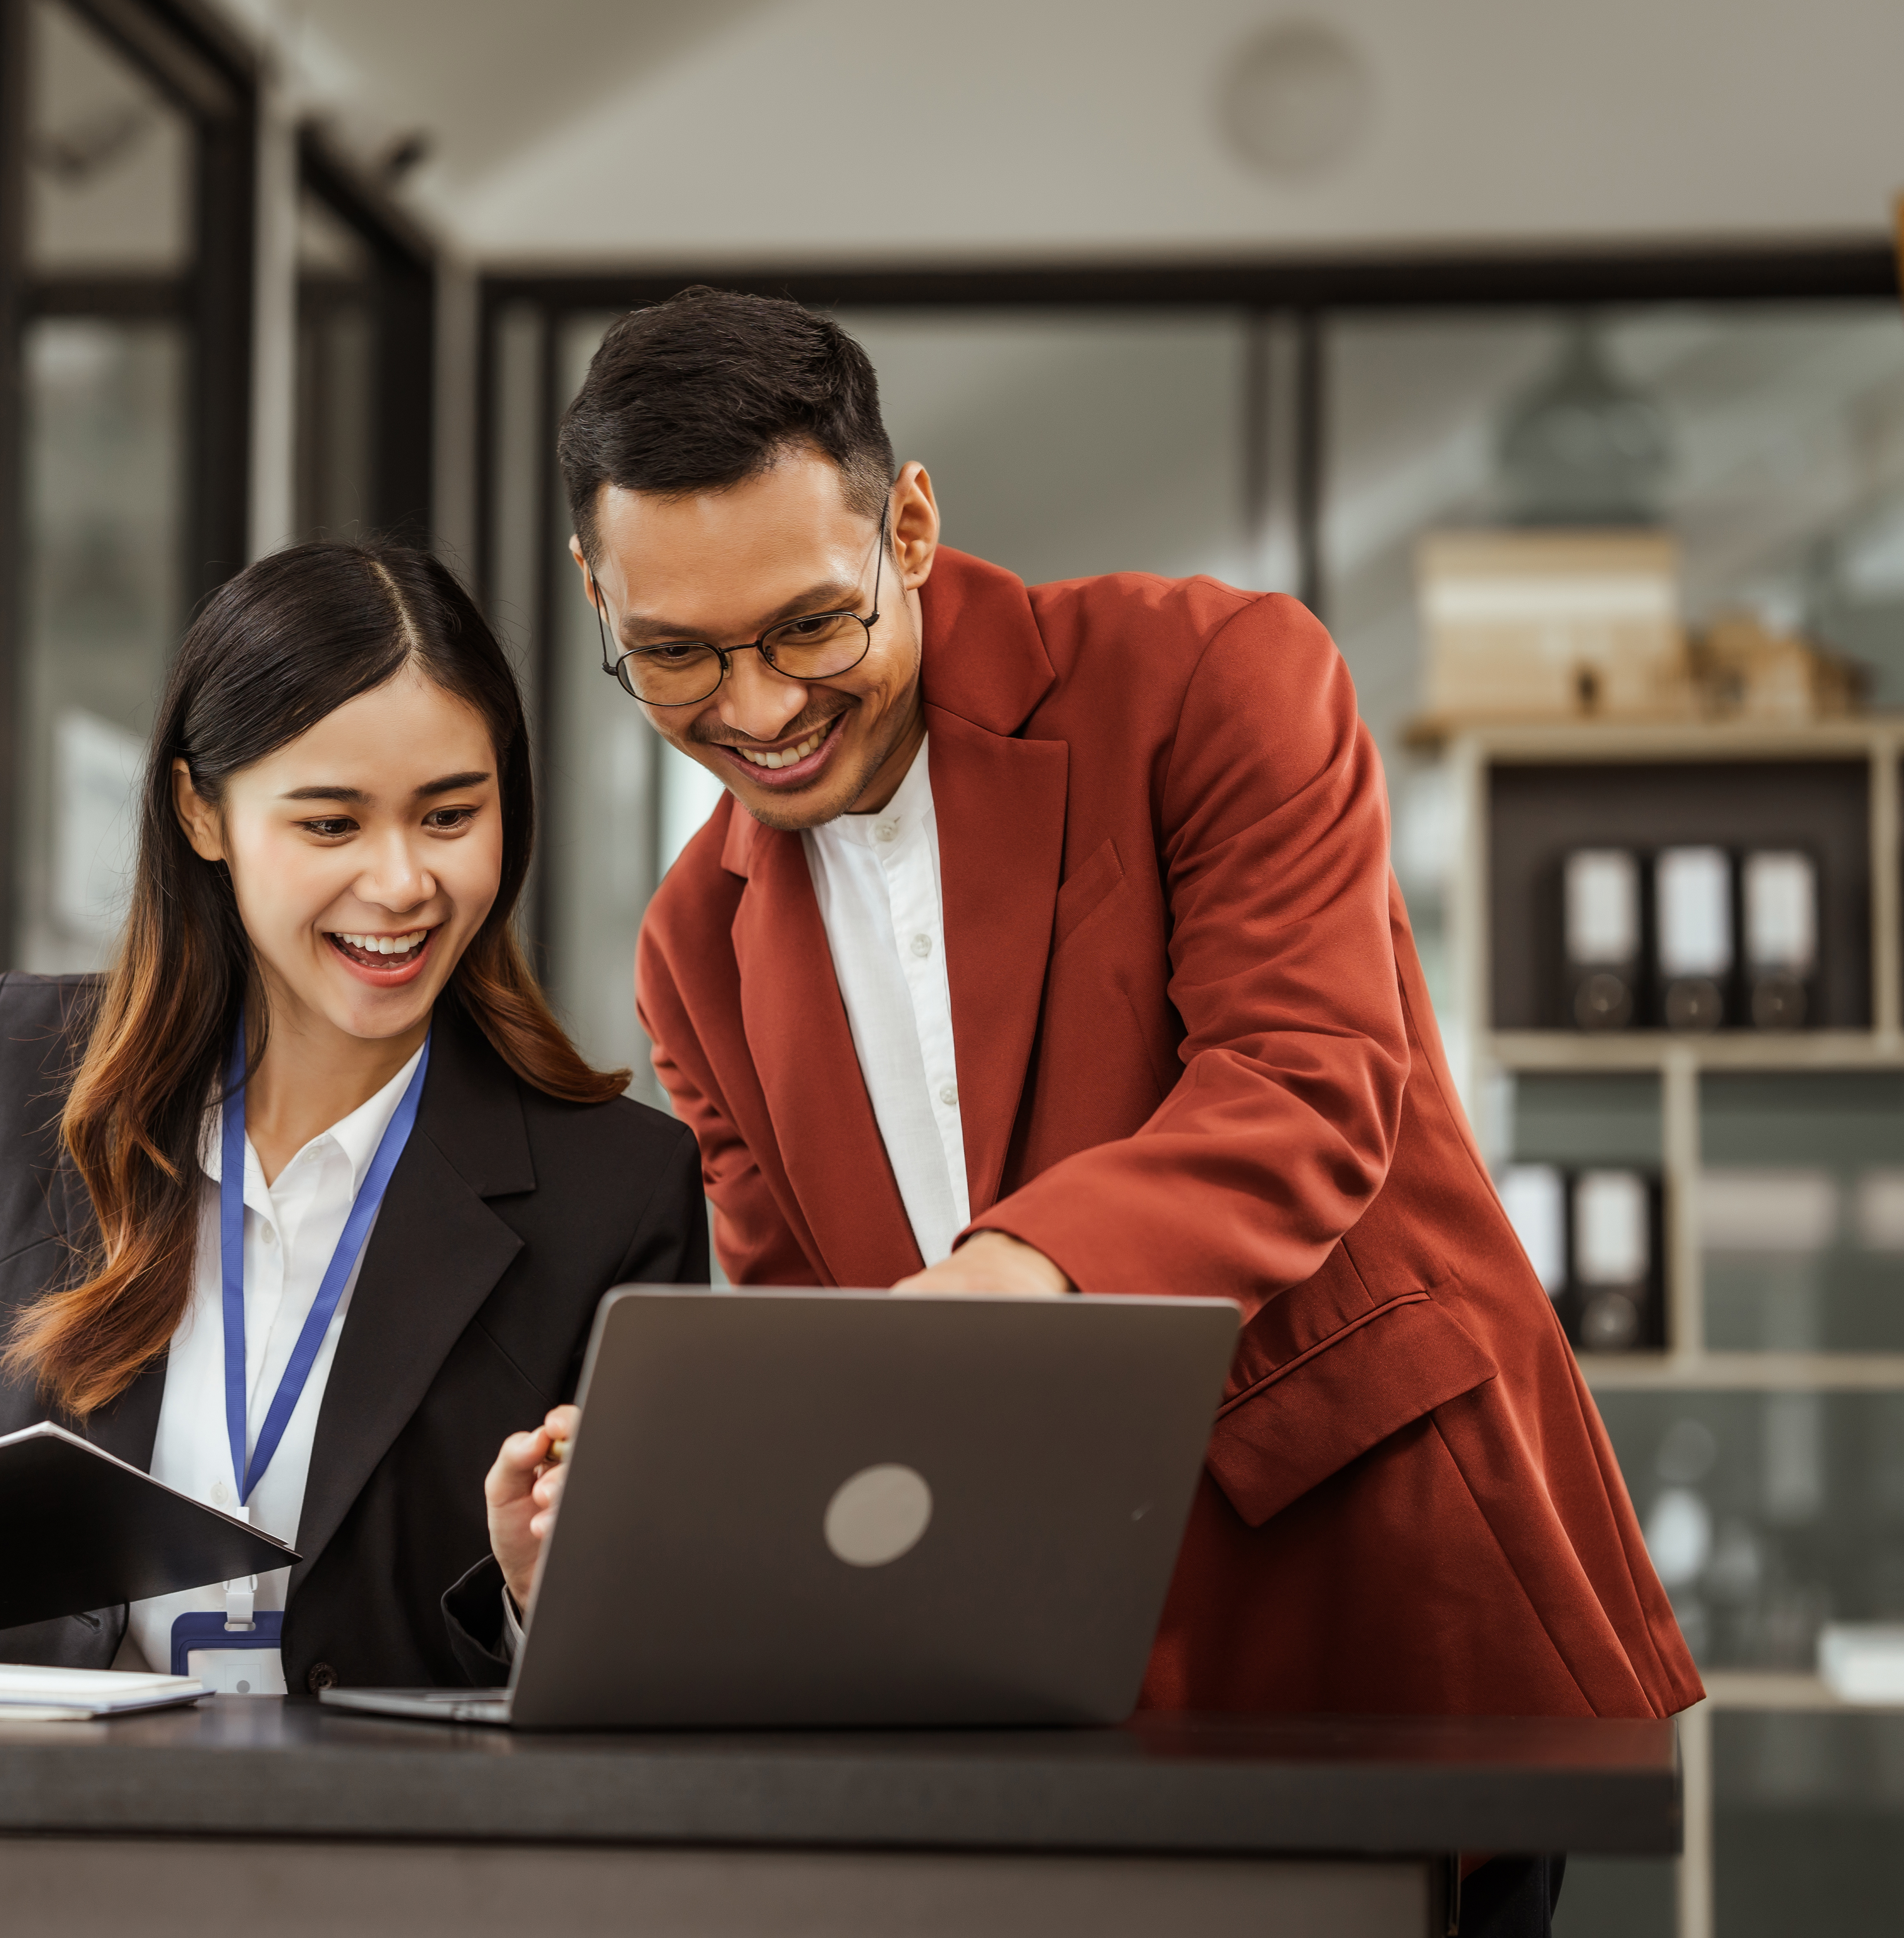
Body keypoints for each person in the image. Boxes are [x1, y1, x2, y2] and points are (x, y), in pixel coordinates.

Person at [483, 290, 1693, 1935]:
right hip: (1028, 1693)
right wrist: (635, 1520)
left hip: (1364, 1614)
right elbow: (816, 1349)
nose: (755, 710)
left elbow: (1303, 1086)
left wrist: (1003, 1276)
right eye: (677, 655)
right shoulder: (694, 944)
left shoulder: (1213, 678)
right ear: (595, 600)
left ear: (909, 524)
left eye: (808, 629)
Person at [0, 542, 707, 1693]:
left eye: (448, 816)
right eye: (331, 825)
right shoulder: (27, 1074)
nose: (400, 884)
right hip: (44, 1849)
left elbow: (646, 1664)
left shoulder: (617, 1191)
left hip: (402, 1857)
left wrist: (541, 1593)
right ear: (201, 812)